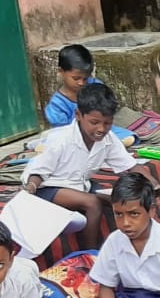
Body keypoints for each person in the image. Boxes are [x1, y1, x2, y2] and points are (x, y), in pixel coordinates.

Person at [22, 83, 136, 249]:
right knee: (92, 203)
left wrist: (150, 185)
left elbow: (131, 166)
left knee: (117, 200)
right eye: (94, 122)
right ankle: (89, 253)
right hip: (48, 188)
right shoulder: (61, 140)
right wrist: (31, 189)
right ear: (78, 115)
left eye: (107, 123)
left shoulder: (108, 139)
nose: (101, 129)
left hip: (78, 186)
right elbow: (38, 172)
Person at [44, 44, 100, 127]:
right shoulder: (57, 106)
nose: (81, 83)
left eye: (85, 79)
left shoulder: (96, 86)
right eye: (76, 78)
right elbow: (63, 134)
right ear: (61, 71)